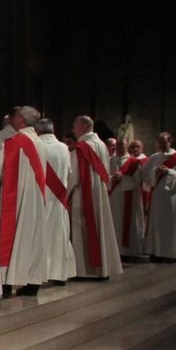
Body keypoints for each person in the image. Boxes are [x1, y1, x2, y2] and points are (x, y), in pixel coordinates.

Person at [0, 106, 48, 296]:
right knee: (32, 238)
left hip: (16, 196)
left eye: (15, 116)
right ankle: (31, 282)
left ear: (21, 121)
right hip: (35, 197)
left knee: (11, 234)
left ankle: (6, 282)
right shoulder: (40, 143)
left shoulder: (15, 142)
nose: (12, 119)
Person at [68, 115, 122, 279]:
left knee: (84, 228)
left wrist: (66, 192)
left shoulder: (82, 147)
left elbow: (73, 174)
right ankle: (102, 269)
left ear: (83, 127)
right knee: (101, 227)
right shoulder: (101, 145)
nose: (73, 130)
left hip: (84, 193)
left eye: (75, 127)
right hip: (99, 192)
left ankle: (85, 271)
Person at [35, 118, 77, 284]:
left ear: (37, 131)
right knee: (59, 236)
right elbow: (68, 172)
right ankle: (60, 273)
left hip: (42, 197)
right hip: (59, 198)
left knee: (42, 235)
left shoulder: (37, 145)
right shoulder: (63, 147)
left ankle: (40, 273)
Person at [143, 132, 176, 262]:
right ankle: (155, 251)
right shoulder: (153, 158)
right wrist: (156, 171)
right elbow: (145, 175)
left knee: (170, 225)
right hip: (157, 196)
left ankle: (170, 254)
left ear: (170, 142)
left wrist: (169, 172)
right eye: (160, 142)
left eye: (164, 142)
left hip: (172, 197)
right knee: (156, 223)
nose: (162, 145)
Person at [108, 139, 145, 258]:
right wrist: (112, 178)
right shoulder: (110, 160)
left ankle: (128, 252)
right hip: (113, 198)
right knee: (114, 222)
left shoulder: (133, 162)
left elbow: (137, 181)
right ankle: (114, 251)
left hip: (129, 197)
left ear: (126, 147)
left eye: (122, 146)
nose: (119, 148)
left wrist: (123, 178)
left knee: (127, 223)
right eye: (117, 146)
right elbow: (104, 177)